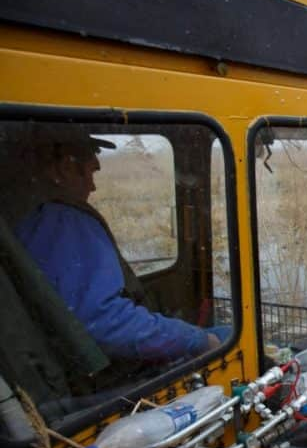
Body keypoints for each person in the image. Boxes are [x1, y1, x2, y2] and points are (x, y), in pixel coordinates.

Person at [13, 124, 222, 365]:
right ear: (66, 169)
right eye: (90, 173)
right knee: (226, 336)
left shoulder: (31, 220)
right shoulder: (62, 222)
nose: (92, 186)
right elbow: (105, 321)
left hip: (80, 364)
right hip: (111, 374)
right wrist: (194, 339)